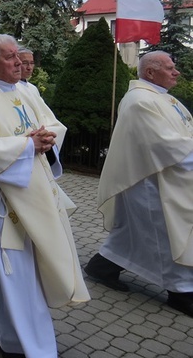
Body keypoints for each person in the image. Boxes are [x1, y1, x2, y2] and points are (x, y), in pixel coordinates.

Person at [0, 34, 88, 357]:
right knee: (15, 271)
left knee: (17, 268)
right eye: (11, 58)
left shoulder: (24, 92)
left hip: (35, 190)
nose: (19, 63)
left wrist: (47, 138)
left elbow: (51, 124)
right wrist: (28, 145)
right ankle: (27, 345)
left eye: (18, 57)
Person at [85, 51, 193, 317]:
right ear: (150, 73)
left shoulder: (163, 98)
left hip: (165, 178)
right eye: (170, 68)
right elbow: (163, 144)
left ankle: (102, 267)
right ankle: (181, 291)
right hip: (148, 180)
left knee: (133, 233)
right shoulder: (140, 101)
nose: (176, 72)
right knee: (166, 233)